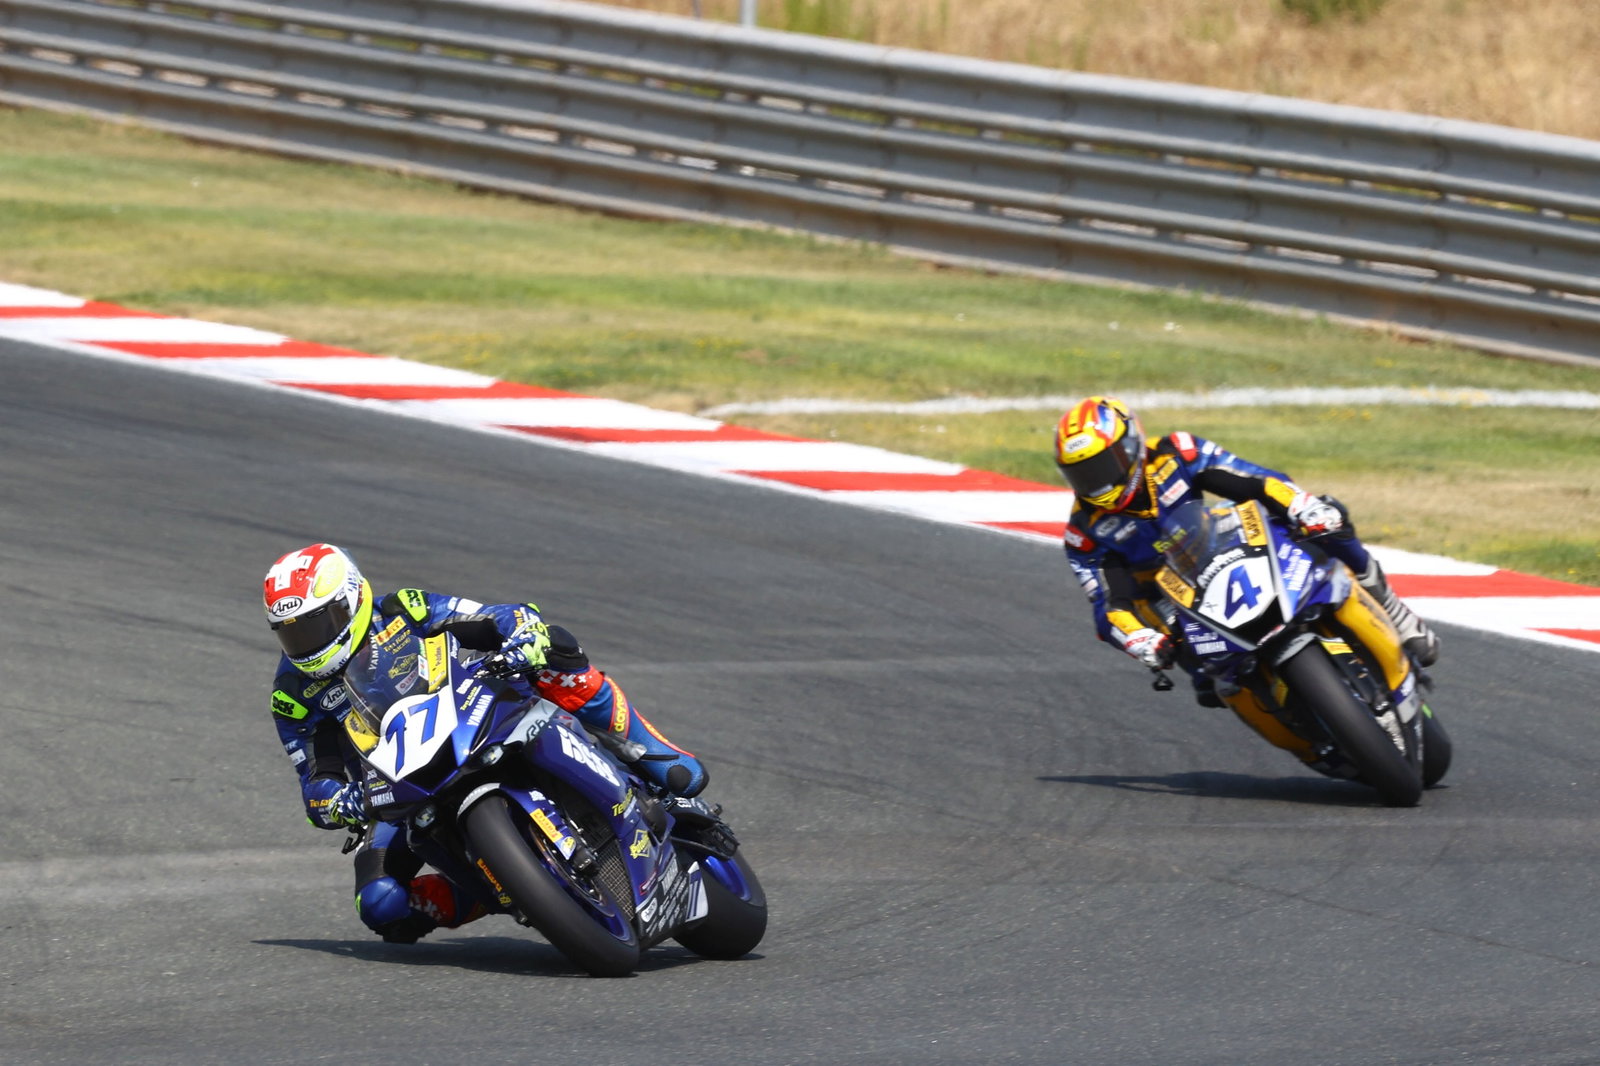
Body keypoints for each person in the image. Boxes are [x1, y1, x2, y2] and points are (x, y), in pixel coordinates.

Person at [263, 542, 709, 944]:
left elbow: (490, 616)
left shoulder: (404, 610)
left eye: (317, 625)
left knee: (555, 646)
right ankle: (504, 887)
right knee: (380, 904)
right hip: (395, 784)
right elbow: (314, 779)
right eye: (292, 633)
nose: (307, 643)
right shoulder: (292, 695)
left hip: (469, 716)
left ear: (351, 600)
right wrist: (336, 802)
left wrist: (521, 635)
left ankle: (649, 752)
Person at [1053, 395, 1439, 707]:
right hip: (1168, 597)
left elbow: (1256, 481)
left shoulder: (1178, 453)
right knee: (1208, 681)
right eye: (1083, 475)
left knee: (1329, 517)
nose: (1098, 484)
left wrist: (1301, 506)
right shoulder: (1084, 531)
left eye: (1104, 466)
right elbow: (1109, 606)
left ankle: (1389, 606)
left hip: (1217, 545)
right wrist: (1139, 639)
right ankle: (1283, 713)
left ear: (1131, 445)